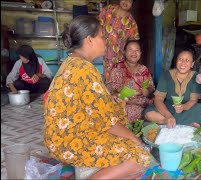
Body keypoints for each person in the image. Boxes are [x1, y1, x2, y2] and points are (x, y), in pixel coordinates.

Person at [43, 16, 150, 179]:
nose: (106, 41)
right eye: (101, 36)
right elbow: (107, 122)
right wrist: (135, 140)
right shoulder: (85, 69)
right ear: (89, 40)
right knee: (141, 156)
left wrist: (112, 102)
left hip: (60, 137)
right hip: (70, 142)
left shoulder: (70, 62)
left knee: (123, 138)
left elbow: (91, 106)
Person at [144, 47, 201, 128]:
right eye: (180, 59)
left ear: (192, 64)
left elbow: (193, 100)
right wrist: (168, 116)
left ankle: (170, 123)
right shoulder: (166, 75)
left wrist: (183, 107)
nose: (183, 63)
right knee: (148, 113)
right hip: (167, 109)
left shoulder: (195, 77)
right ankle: (177, 122)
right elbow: (158, 99)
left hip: (187, 110)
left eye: (187, 60)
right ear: (176, 61)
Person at [109, 40, 155, 122]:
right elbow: (113, 90)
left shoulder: (144, 69)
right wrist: (125, 92)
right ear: (124, 52)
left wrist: (147, 91)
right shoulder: (118, 68)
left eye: (137, 50)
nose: (134, 53)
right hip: (125, 104)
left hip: (144, 105)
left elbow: (151, 87)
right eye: (130, 50)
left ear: (140, 53)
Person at [98, 0, 139, 87]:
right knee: (98, 82)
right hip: (99, 54)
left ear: (132, 4)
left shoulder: (131, 22)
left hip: (117, 58)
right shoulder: (108, 10)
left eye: (130, 1)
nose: (126, 2)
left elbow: (132, 43)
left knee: (114, 84)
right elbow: (97, 27)